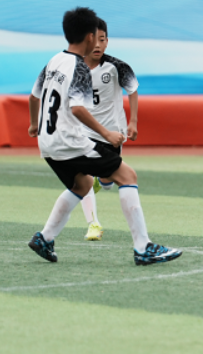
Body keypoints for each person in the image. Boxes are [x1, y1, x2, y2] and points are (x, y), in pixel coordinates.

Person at [26, 7, 180, 266]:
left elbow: (33, 97)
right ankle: (143, 247)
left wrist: (33, 124)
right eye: (96, 37)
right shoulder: (80, 68)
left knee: (82, 185)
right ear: (90, 36)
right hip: (70, 142)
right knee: (127, 176)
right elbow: (77, 109)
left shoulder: (53, 61)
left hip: (48, 143)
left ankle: (45, 237)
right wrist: (107, 133)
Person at [79, 18, 141, 241]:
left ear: (107, 42)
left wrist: (133, 122)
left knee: (107, 181)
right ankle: (93, 224)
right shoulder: (74, 67)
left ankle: (102, 181)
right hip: (85, 132)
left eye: (102, 39)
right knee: (82, 177)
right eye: (93, 40)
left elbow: (132, 90)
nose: (98, 45)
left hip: (113, 132)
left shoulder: (117, 67)